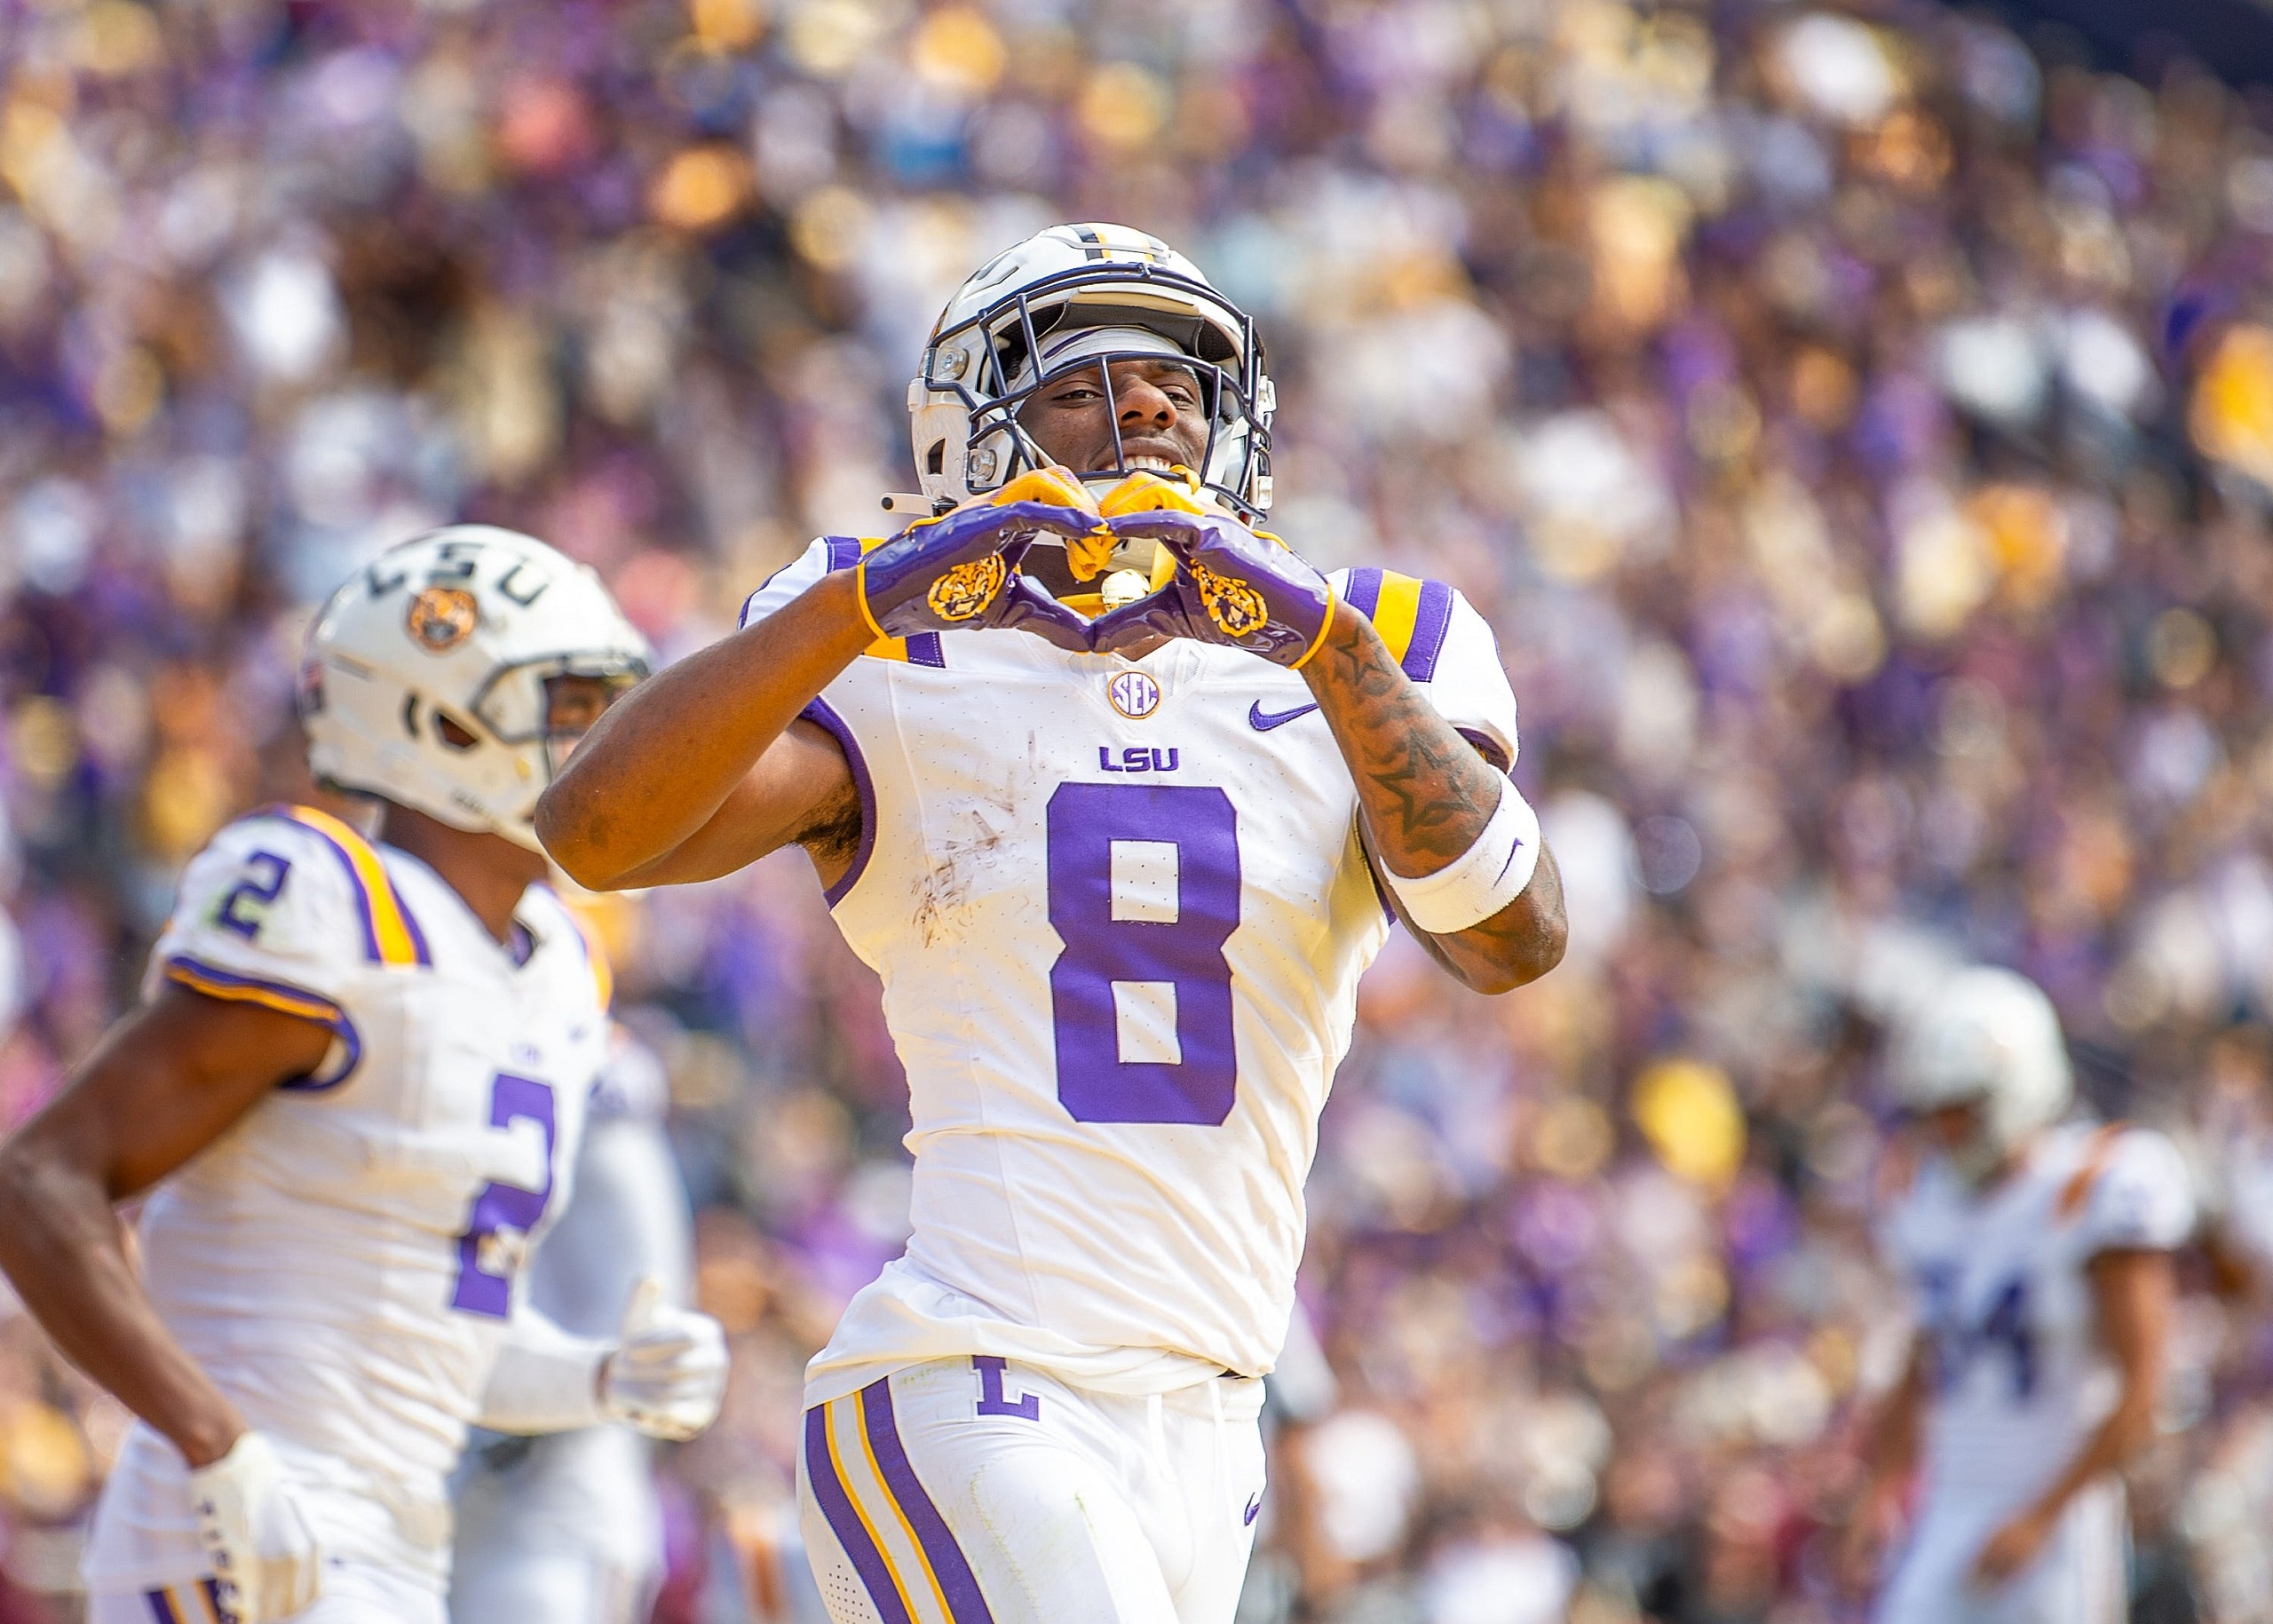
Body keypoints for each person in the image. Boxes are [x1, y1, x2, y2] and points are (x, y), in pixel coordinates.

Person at [538, 222, 1569, 1623]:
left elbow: (1511, 939)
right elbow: (597, 833)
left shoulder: (1377, 629)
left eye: (1178, 383)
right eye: (1082, 380)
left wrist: (1320, 644)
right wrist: (866, 599)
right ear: (972, 434)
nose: (1146, 406)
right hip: (971, 1384)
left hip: (1212, 1427)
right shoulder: (903, 642)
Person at [0, 527, 730, 1624]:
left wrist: (592, 1378)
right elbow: (40, 1180)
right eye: (573, 704)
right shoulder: (329, 901)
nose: (613, 738)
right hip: (244, 1534)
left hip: (388, 1545)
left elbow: (426, 1336)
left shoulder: (554, 965)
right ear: (439, 722)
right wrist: (216, 1443)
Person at [1849, 966, 2194, 1624]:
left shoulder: (2090, 1187)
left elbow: (2145, 1382)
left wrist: (2042, 1514)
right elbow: (1926, 1359)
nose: (1948, 1130)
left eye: (1963, 1108)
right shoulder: (1930, 1201)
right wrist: (1884, 1484)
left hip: (2058, 1512)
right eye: (1937, 1111)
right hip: (1952, 1499)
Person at [448, 1021, 696, 1624]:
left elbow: (644, 1306)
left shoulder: (586, 1066)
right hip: (461, 1481)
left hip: (554, 1490)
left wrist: (531, 1409)